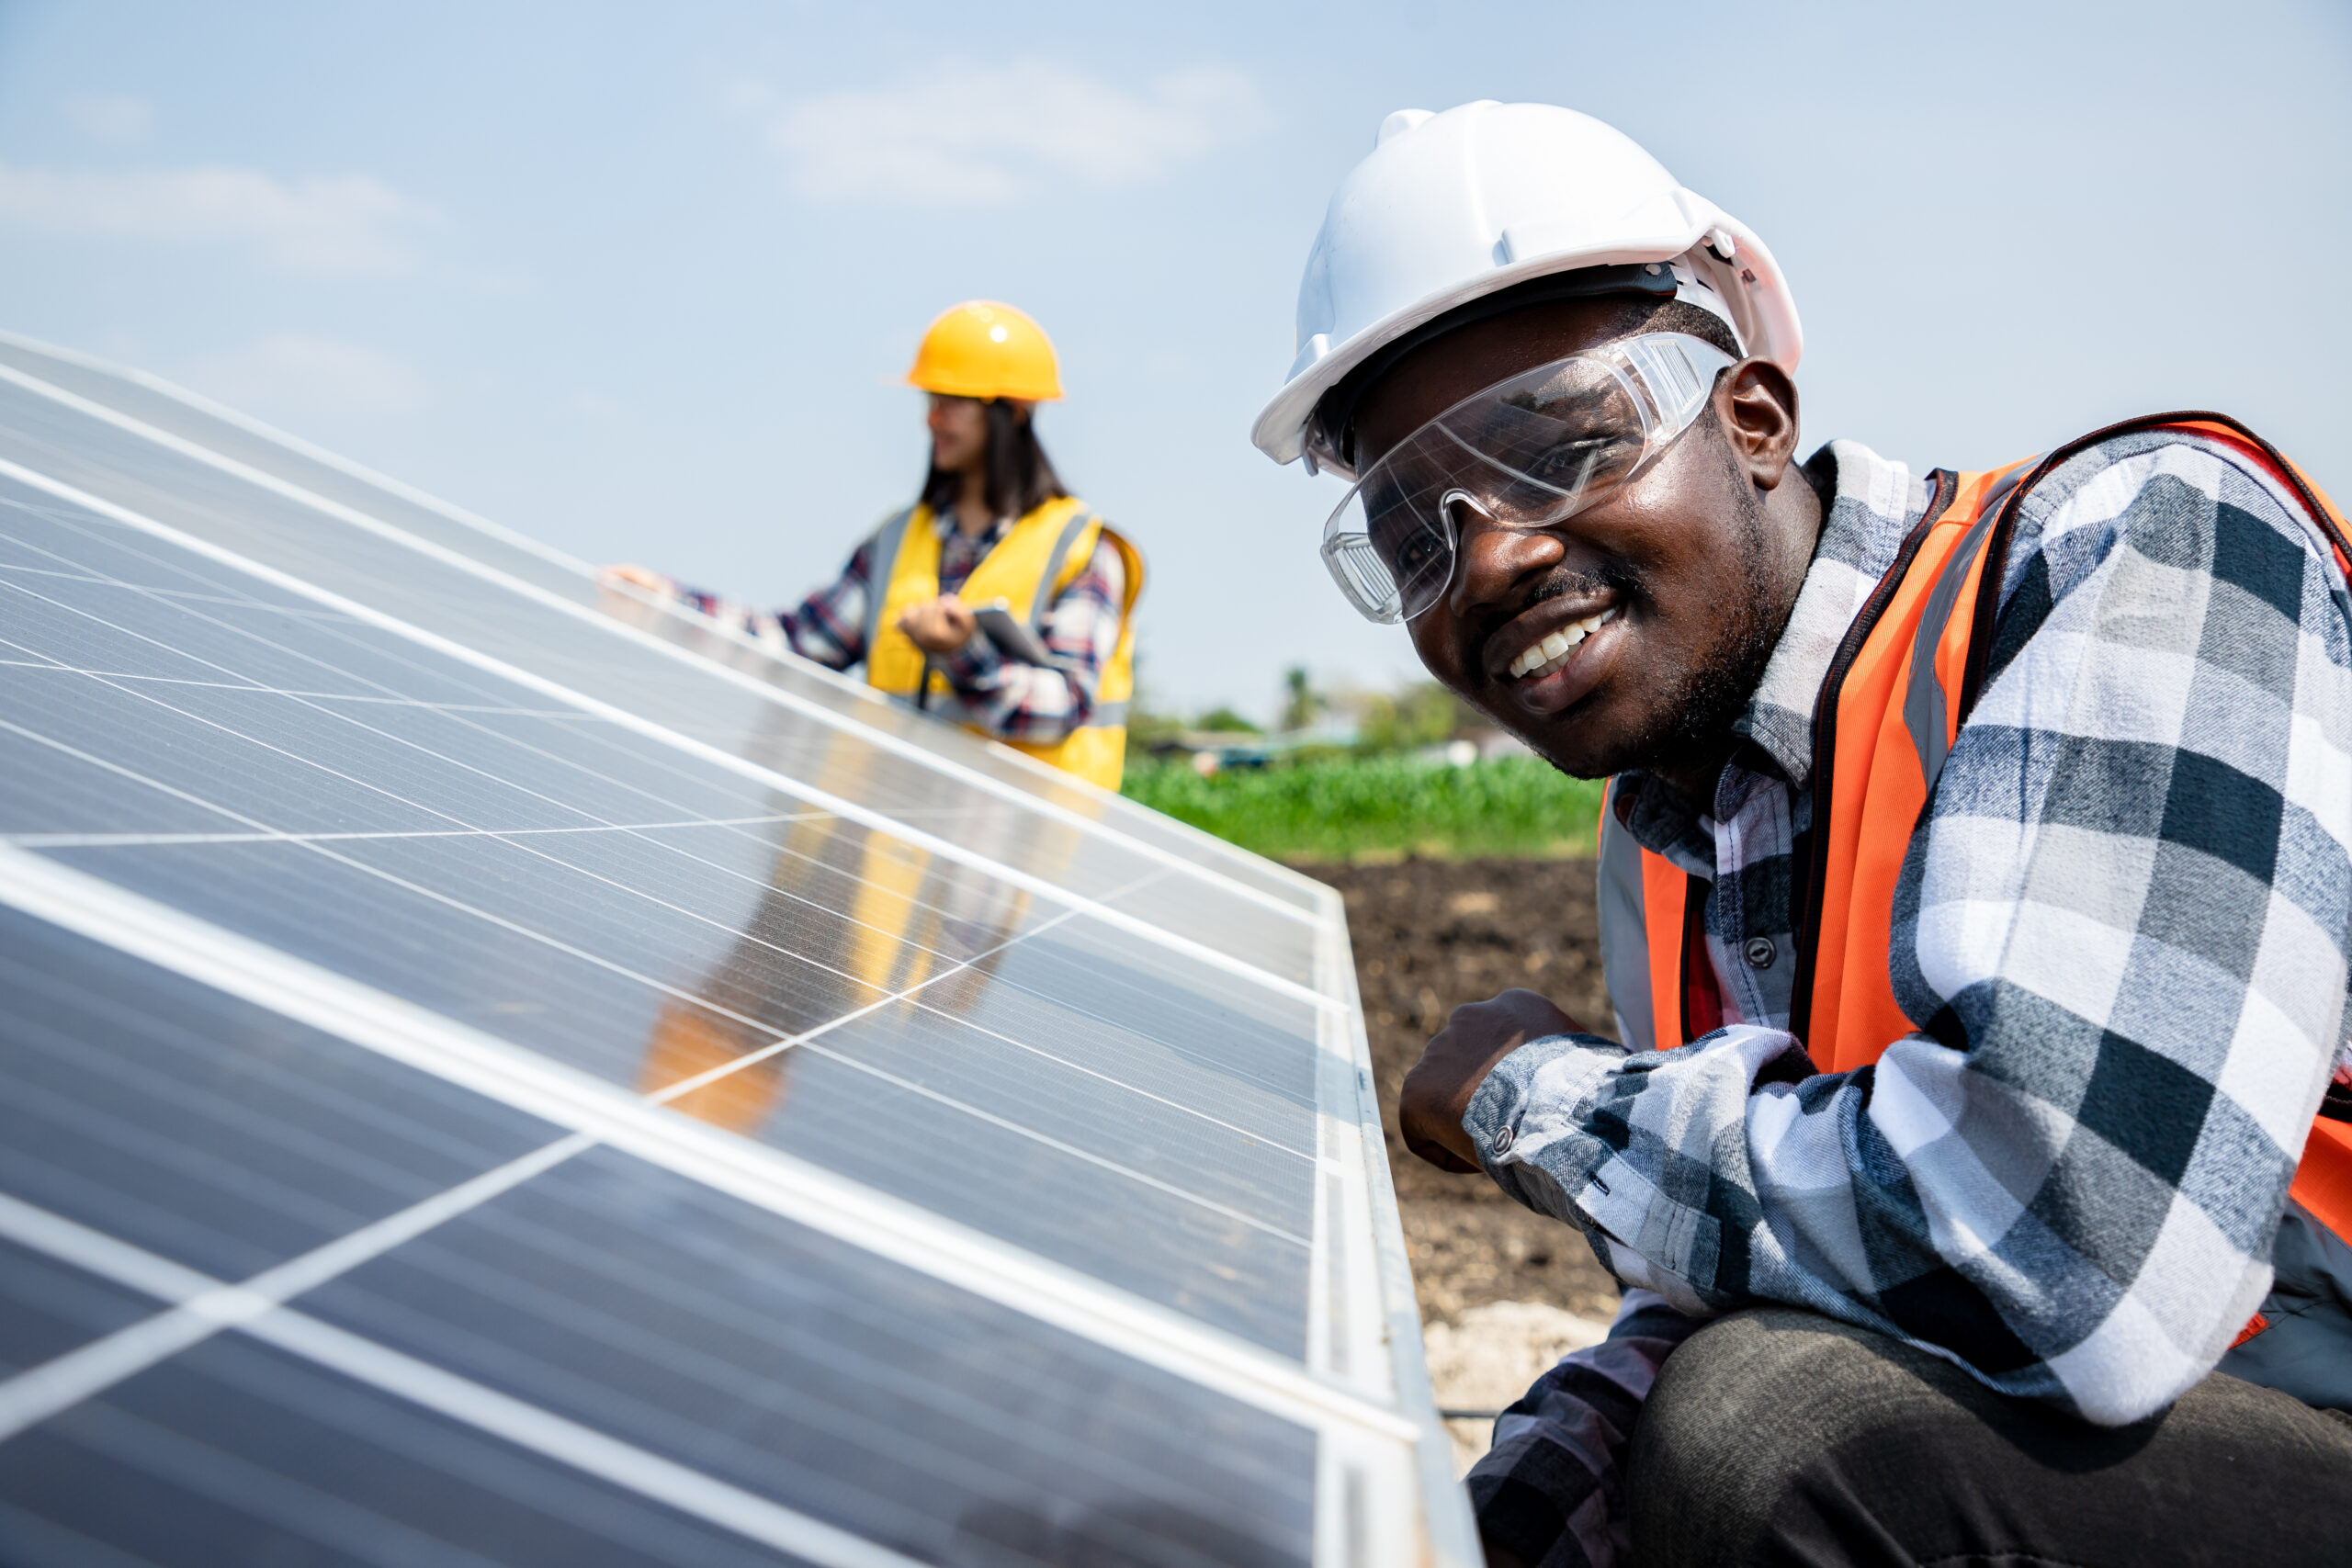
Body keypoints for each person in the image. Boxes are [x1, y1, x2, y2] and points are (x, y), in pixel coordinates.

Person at [1252, 101, 2352, 1566]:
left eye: (1559, 444)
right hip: (2156, 1452)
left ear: (1753, 416)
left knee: (1762, 1429)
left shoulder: (2142, 548)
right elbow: (1753, 1277)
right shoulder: (1662, 831)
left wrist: (1542, 1099)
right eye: (1411, 532)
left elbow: (2076, 1249)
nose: (1491, 556)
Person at [605, 299, 1144, 788]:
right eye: (932, 398)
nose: (932, 417)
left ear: (1015, 411)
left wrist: (964, 655)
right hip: (891, 856)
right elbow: (798, 642)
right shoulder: (895, 541)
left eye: (955, 400)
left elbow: (1065, 709)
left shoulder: (1082, 551)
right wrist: (667, 606)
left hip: (1013, 870)